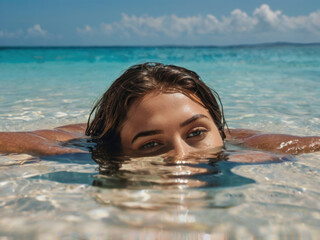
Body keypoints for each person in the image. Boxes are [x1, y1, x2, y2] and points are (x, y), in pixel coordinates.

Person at [0, 62, 319, 163]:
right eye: (151, 143)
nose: (182, 156)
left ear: (219, 128)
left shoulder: (245, 142)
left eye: (196, 133)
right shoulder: (85, 148)